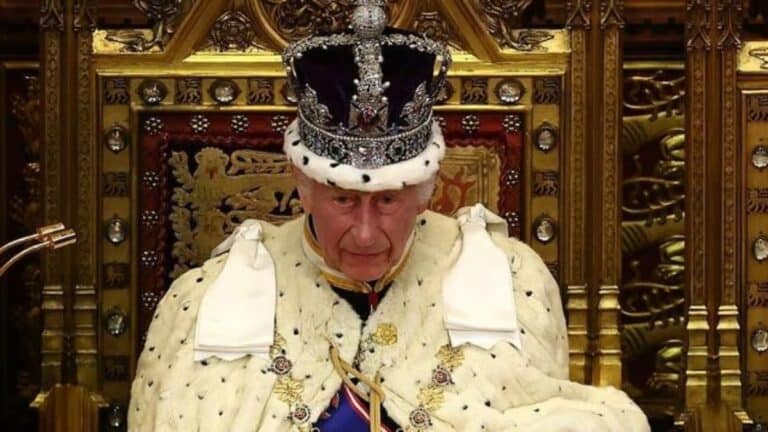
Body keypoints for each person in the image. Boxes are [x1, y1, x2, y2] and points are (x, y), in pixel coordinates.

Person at [128, 1, 650, 430]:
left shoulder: (510, 280)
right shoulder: (208, 296)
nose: (364, 231)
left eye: (388, 200)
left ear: (426, 191)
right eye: (342, 199)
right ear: (303, 187)